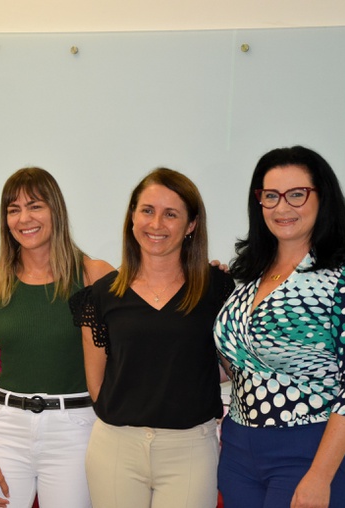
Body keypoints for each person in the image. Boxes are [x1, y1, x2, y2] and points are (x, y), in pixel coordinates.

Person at [214, 146, 345, 508]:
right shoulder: (249, 278)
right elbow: (240, 365)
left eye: (297, 194)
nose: (282, 207)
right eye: (270, 196)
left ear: (323, 198)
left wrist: (320, 476)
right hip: (239, 452)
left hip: (314, 452)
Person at [70, 168, 234, 508]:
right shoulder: (100, 296)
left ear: (191, 225)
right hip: (116, 448)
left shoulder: (217, 288)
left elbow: (230, 366)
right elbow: (98, 385)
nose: (156, 224)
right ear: (132, 217)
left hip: (190, 449)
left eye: (170, 214)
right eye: (147, 210)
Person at [0, 167, 114, 508]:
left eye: (35, 206)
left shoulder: (94, 275)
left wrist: (200, 273)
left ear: (55, 210)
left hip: (76, 429)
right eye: (13, 209)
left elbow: (146, 317)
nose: (24, 218)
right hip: (6, 429)